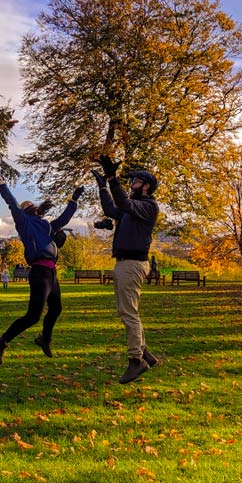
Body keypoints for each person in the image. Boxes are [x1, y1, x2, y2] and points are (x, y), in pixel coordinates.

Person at [0, 168, 83, 363]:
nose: (33, 207)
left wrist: (73, 200)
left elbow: (63, 220)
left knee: (56, 308)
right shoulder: (24, 222)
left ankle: (44, 339)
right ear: (26, 211)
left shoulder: (45, 225)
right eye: (29, 206)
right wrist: (1, 182)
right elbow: (12, 203)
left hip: (51, 272)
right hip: (39, 272)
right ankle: (1, 341)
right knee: (33, 316)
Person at [91, 154, 160, 384]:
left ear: (147, 186)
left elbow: (123, 203)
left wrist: (112, 178)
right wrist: (103, 187)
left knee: (128, 313)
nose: (132, 184)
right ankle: (146, 354)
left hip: (132, 264)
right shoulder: (132, 209)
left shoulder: (147, 206)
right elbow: (112, 208)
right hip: (125, 263)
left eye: (136, 181)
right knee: (128, 311)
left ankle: (135, 360)